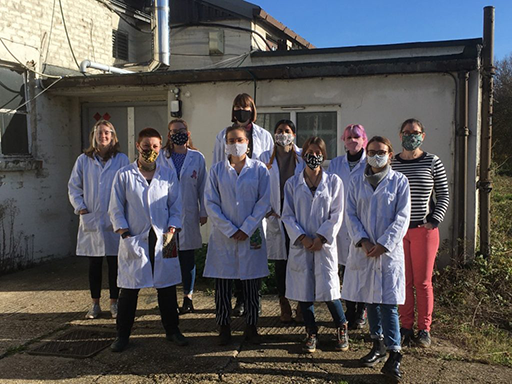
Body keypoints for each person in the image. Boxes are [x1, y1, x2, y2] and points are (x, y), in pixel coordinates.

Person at [108, 128, 186, 352]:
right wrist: (124, 233)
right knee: (129, 289)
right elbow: (115, 208)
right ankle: (122, 335)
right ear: (137, 146)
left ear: (160, 147)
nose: (150, 150)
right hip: (135, 236)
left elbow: (176, 205)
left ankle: (172, 331)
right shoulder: (124, 175)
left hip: (164, 236)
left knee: (167, 287)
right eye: (146, 146)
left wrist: (172, 226)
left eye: (154, 146)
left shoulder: (168, 175)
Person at [342, 136, 410, 382]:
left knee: (388, 304)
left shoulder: (400, 182)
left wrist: (384, 244)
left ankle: (395, 354)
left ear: (390, 154)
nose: (375, 155)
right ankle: (377, 344)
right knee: (370, 300)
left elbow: (402, 217)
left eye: (381, 151)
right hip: (365, 250)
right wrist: (364, 240)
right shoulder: (356, 182)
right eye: (371, 151)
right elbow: (349, 213)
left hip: (387, 254)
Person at [203, 124, 271, 345]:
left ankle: (252, 327)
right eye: (231, 140)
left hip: (251, 235)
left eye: (239, 140)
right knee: (223, 287)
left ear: (248, 143)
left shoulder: (260, 169)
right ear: (225, 144)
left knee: (252, 286)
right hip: (224, 237)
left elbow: (264, 201)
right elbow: (211, 203)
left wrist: (247, 227)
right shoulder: (216, 171)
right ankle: (223, 327)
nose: (235, 144)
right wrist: (231, 229)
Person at [282, 136, 349, 353]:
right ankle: (311, 331)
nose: (313, 156)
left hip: (324, 246)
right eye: (309, 152)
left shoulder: (334, 182)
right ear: (303, 155)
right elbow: (287, 215)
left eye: (318, 152)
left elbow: (337, 214)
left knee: (330, 290)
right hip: (302, 245)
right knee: (304, 290)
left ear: (323, 155)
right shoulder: (292, 183)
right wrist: (303, 238)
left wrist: (320, 238)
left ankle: (342, 326)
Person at [212, 93, 273, 317]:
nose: (241, 110)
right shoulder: (221, 137)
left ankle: (250, 307)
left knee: (252, 264)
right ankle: (231, 311)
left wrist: (249, 224)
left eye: (245, 107)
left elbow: (268, 167)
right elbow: (218, 167)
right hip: (228, 208)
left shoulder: (264, 135)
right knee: (228, 268)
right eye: (237, 107)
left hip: (252, 211)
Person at [391, 118, 449, 348]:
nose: (410, 136)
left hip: (423, 231)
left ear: (422, 135)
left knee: (423, 282)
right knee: (403, 281)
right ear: (400, 135)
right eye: (406, 132)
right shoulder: (393, 162)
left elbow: (443, 193)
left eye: (414, 132)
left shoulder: (433, 161)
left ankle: (424, 329)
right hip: (399, 231)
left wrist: (434, 220)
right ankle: (405, 326)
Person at [68, 120, 129, 319]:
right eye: (99, 133)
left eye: (106, 133)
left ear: (113, 136)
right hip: (92, 217)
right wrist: (81, 207)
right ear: (94, 135)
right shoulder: (83, 160)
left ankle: (114, 303)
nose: (103, 136)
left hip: (114, 219)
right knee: (94, 265)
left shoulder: (121, 160)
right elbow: (74, 187)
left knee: (114, 263)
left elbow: (128, 187)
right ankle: (95, 304)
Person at [159, 119, 208, 314]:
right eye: (173, 131)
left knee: (188, 258)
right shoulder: (161, 157)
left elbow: (203, 187)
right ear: (169, 135)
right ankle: (168, 297)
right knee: (169, 257)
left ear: (188, 133)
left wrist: (203, 211)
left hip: (189, 215)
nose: (178, 133)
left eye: (181, 130)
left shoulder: (197, 157)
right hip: (167, 217)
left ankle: (188, 297)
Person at [260, 119, 305, 323]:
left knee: (300, 260)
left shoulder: (303, 156)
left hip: (298, 217)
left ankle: (302, 304)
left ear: (293, 135)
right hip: (277, 217)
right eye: (279, 131)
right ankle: (284, 302)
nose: (283, 134)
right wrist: (267, 210)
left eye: (287, 131)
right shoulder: (264, 157)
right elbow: (259, 186)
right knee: (281, 264)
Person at [328, 124, 368, 330]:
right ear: (343, 141)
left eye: (356, 137)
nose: (352, 140)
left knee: (360, 269)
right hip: (340, 225)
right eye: (348, 137)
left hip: (361, 224)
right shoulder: (335, 164)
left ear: (364, 140)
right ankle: (349, 309)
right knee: (344, 270)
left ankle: (361, 311)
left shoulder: (369, 163)